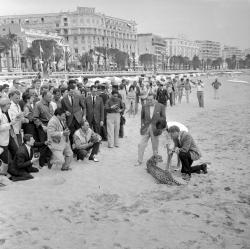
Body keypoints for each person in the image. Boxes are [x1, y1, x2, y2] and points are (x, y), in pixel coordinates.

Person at [135, 94, 166, 166]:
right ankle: (139, 161)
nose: (149, 101)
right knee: (141, 144)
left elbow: (163, 118)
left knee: (155, 146)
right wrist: (142, 124)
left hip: (155, 128)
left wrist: (160, 129)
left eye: (151, 100)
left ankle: (155, 162)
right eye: (148, 100)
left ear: (154, 99)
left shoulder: (161, 106)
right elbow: (142, 117)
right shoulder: (144, 106)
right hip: (146, 128)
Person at [33, 91, 53, 167]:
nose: (51, 98)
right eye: (49, 97)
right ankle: (42, 163)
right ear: (44, 96)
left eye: (51, 97)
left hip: (50, 126)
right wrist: (42, 126)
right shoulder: (38, 104)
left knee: (50, 143)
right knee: (43, 144)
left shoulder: (50, 104)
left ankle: (47, 161)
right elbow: (35, 118)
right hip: (42, 127)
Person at [0, 98, 19, 175]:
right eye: (9, 104)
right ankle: (3, 173)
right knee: (4, 158)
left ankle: (15, 168)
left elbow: (11, 120)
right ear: (4, 105)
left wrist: (16, 118)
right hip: (2, 139)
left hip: (10, 135)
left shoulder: (8, 111)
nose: (10, 105)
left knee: (16, 151)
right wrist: (10, 124)